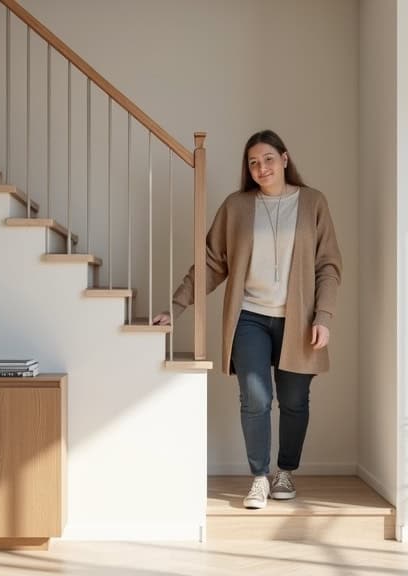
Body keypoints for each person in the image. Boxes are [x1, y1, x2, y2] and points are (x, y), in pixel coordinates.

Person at [152, 129, 342, 509]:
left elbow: (328, 265)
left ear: (285, 159)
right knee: (255, 399)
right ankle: (258, 476)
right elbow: (210, 262)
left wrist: (323, 315)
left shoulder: (313, 203)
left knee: (294, 402)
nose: (261, 168)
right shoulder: (236, 207)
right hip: (250, 317)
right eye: (253, 162)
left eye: (268, 159)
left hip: (298, 320)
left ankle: (284, 470)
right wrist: (176, 306)